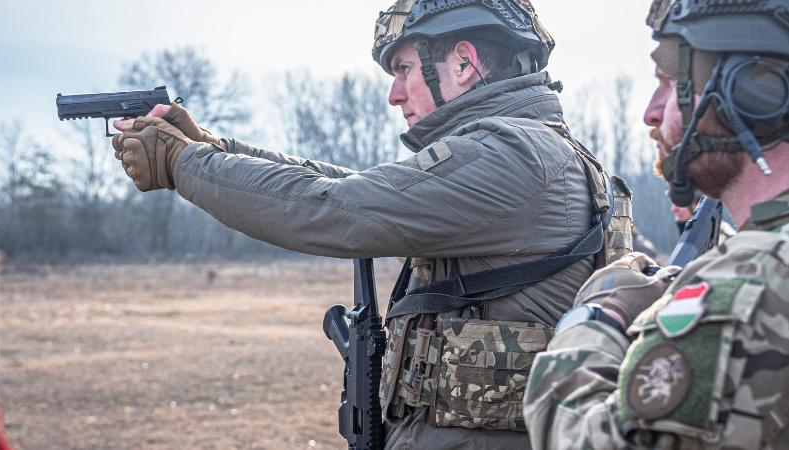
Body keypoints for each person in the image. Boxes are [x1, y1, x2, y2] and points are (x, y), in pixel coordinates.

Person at [110, 1, 631, 448]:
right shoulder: (532, 150)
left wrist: (185, 165)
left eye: (403, 70)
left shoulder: (513, 156)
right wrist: (213, 150)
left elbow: (336, 209)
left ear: (465, 64)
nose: (395, 95)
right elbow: (351, 186)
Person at [523, 1, 789, 448]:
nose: (651, 111)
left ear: (753, 92)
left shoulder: (749, 288)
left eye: (669, 83)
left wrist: (595, 317)